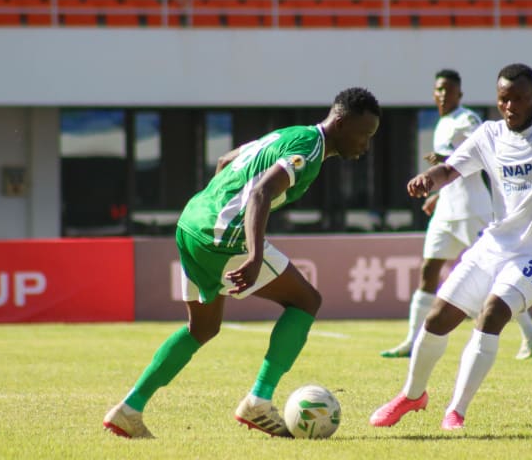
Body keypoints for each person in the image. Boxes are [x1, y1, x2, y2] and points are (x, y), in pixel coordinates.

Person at [103, 87, 381, 439]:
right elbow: (261, 192)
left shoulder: (289, 134)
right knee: (306, 301)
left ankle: (129, 410)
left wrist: (217, 208)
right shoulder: (309, 151)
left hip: (192, 223)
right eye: (364, 134)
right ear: (340, 123)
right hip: (222, 237)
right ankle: (258, 402)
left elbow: (225, 161)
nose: (366, 145)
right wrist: (254, 254)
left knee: (202, 328)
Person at [370, 63, 532, 431]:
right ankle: (411, 396)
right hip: (492, 246)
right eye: (504, 99)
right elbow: (450, 169)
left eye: (519, 99)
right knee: (438, 317)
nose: (510, 106)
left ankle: (456, 411)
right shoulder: (488, 135)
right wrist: (429, 179)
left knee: (491, 313)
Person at [380, 69, 532, 361]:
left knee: (496, 273)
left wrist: (444, 159)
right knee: (429, 270)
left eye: (449, 90)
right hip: (447, 212)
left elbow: (484, 154)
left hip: (472, 211)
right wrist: (438, 196)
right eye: (439, 89)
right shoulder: (442, 123)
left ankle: (531, 332)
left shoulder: (466, 119)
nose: (443, 94)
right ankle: (412, 341)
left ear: (460, 94)